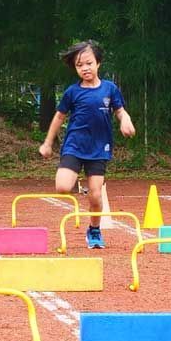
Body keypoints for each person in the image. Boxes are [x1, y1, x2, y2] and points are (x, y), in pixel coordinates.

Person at [39, 41, 135, 249]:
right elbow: (58, 117)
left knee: (95, 194)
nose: (85, 68)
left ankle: (94, 229)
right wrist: (48, 143)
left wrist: (125, 121)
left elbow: (119, 111)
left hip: (100, 147)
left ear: (98, 63)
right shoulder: (72, 92)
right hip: (74, 145)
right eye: (79, 65)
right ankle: (79, 179)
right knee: (63, 186)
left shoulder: (110, 89)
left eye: (89, 63)